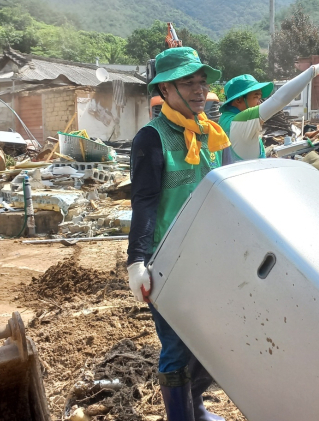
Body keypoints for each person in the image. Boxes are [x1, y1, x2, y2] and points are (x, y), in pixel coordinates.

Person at [126, 47, 230, 421]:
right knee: (176, 344)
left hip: (211, 256)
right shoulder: (151, 139)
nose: (200, 90)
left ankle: (196, 405)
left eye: (202, 81)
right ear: (166, 90)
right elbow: (145, 202)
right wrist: (137, 261)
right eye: (188, 82)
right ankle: (180, 417)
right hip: (167, 260)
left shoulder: (212, 135)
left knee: (212, 338)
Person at [218, 59, 319, 162]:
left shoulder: (224, 119)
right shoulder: (241, 121)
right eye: (255, 97)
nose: (259, 102)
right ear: (238, 100)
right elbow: (278, 100)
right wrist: (313, 71)